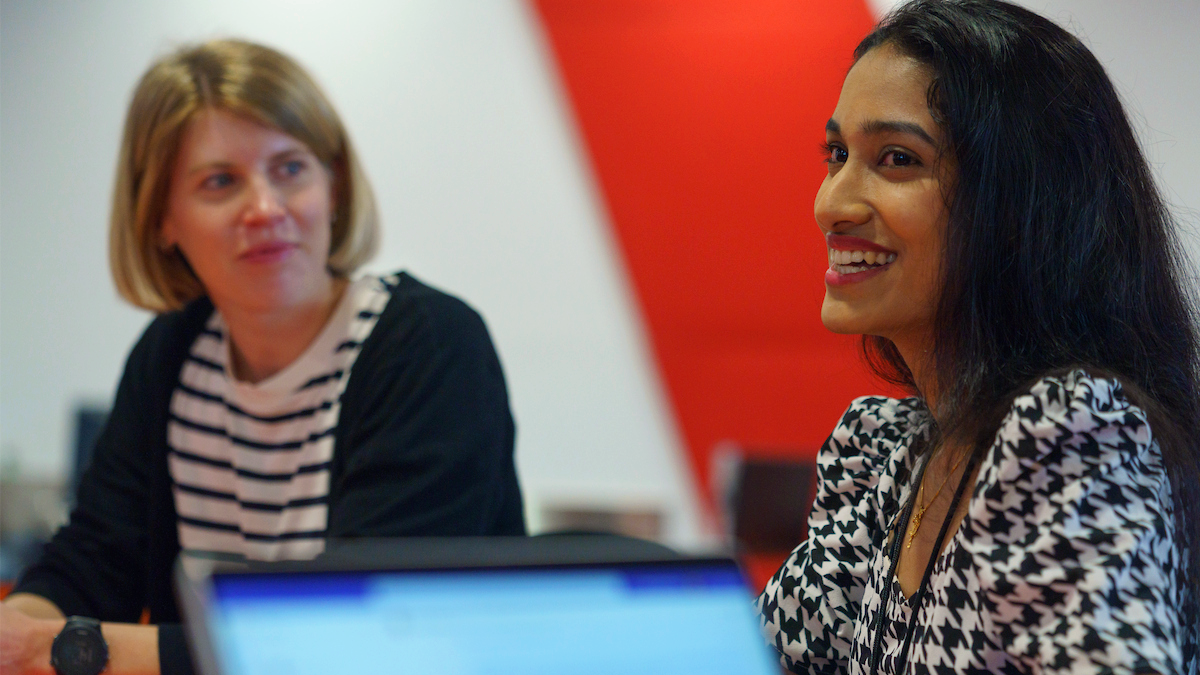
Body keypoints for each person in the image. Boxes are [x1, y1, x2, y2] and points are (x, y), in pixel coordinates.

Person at [0, 39, 524, 674]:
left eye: (290, 169)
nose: (266, 209)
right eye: (221, 181)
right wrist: (19, 626)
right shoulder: (173, 351)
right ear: (162, 218)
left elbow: (367, 636)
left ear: (333, 185)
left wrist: (54, 651)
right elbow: (94, 560)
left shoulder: (431, 347)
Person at [756, 1, 1199, 673]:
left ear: (1021, 205)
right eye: (838, 154)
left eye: (896, 158)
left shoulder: (1065, 432)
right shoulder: (888, 451)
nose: (832, 202)